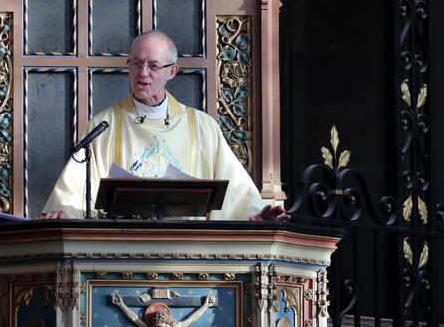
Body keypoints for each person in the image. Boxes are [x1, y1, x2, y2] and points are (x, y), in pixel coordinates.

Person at [42, 30, 287, 222]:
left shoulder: (202, 127)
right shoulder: (104, 126)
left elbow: (236, 192)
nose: (143, 73)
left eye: (153, 65)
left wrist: (254, 216)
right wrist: (64, 212)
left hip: (188, 253)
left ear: (172, 71)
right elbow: (73, 192)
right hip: (121, 253)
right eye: (136, 63)